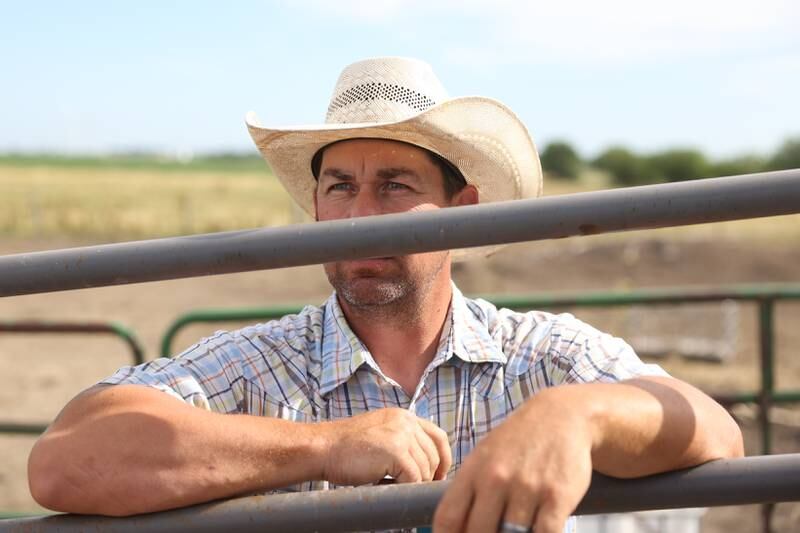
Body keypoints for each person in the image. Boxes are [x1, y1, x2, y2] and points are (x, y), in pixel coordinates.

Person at [27, 57, 743, 533]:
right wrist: (322, 445)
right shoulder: (263, 364)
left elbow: (718, 433)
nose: (359, 216)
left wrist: (577, 414)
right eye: (340, 186)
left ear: (464, 209)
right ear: (315, 208)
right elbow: (64, 457)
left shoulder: (541, 359)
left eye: (394, 185)